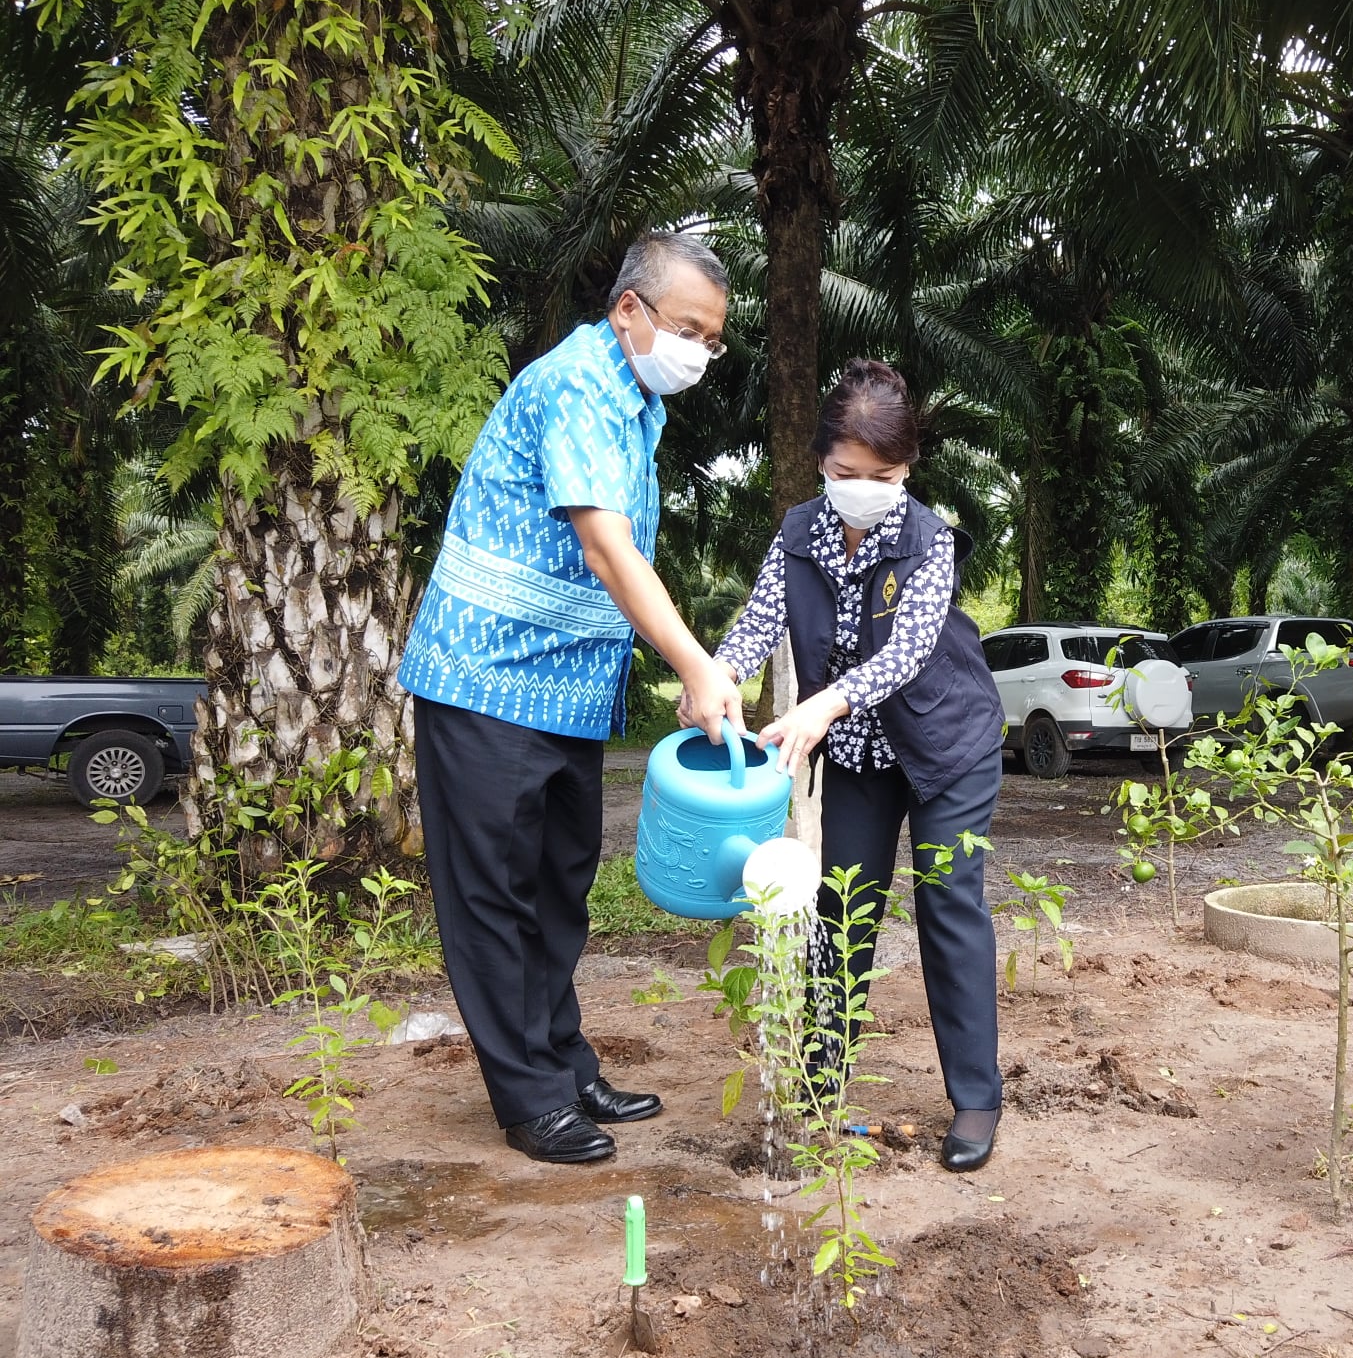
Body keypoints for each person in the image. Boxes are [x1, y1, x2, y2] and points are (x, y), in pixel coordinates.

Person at [397, 231, 744, 1165]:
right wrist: (696, 664)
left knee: (559, 887)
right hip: (489, 679)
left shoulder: (636, 405)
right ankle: (530, 1098)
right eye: (687, 330)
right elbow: (605, 547)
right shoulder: (580, 383)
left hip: (567, 690)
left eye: (712, 341)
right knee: (495, 895)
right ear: (628, 308)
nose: (699, 353)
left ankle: (564, 1062)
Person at [703, 360, 1009, 1172]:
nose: (865, 490)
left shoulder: (929, 540)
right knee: (840, 910)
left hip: (948, 748)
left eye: (884, 476)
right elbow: (759, 622)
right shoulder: (797, 533)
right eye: (847, 473)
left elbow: (907, 653)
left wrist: (822, 705)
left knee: (948, 903)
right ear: (820, 462)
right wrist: (717, 673)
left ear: (907, 470)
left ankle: (977, 1099)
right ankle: (820, 1087)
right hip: (859, 756)